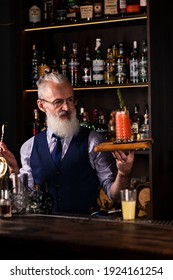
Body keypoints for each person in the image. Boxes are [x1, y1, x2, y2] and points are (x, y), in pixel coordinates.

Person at [0, 72, 134, 215]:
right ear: (41, 105)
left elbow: (115, 195)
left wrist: (123, 174)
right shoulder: (29, 147)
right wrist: (14, 170)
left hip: (86, 229)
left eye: (70, 100)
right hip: (42, 231)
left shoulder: (93, 141)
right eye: (58, 102)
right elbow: (26, 198)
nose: (67, 107)